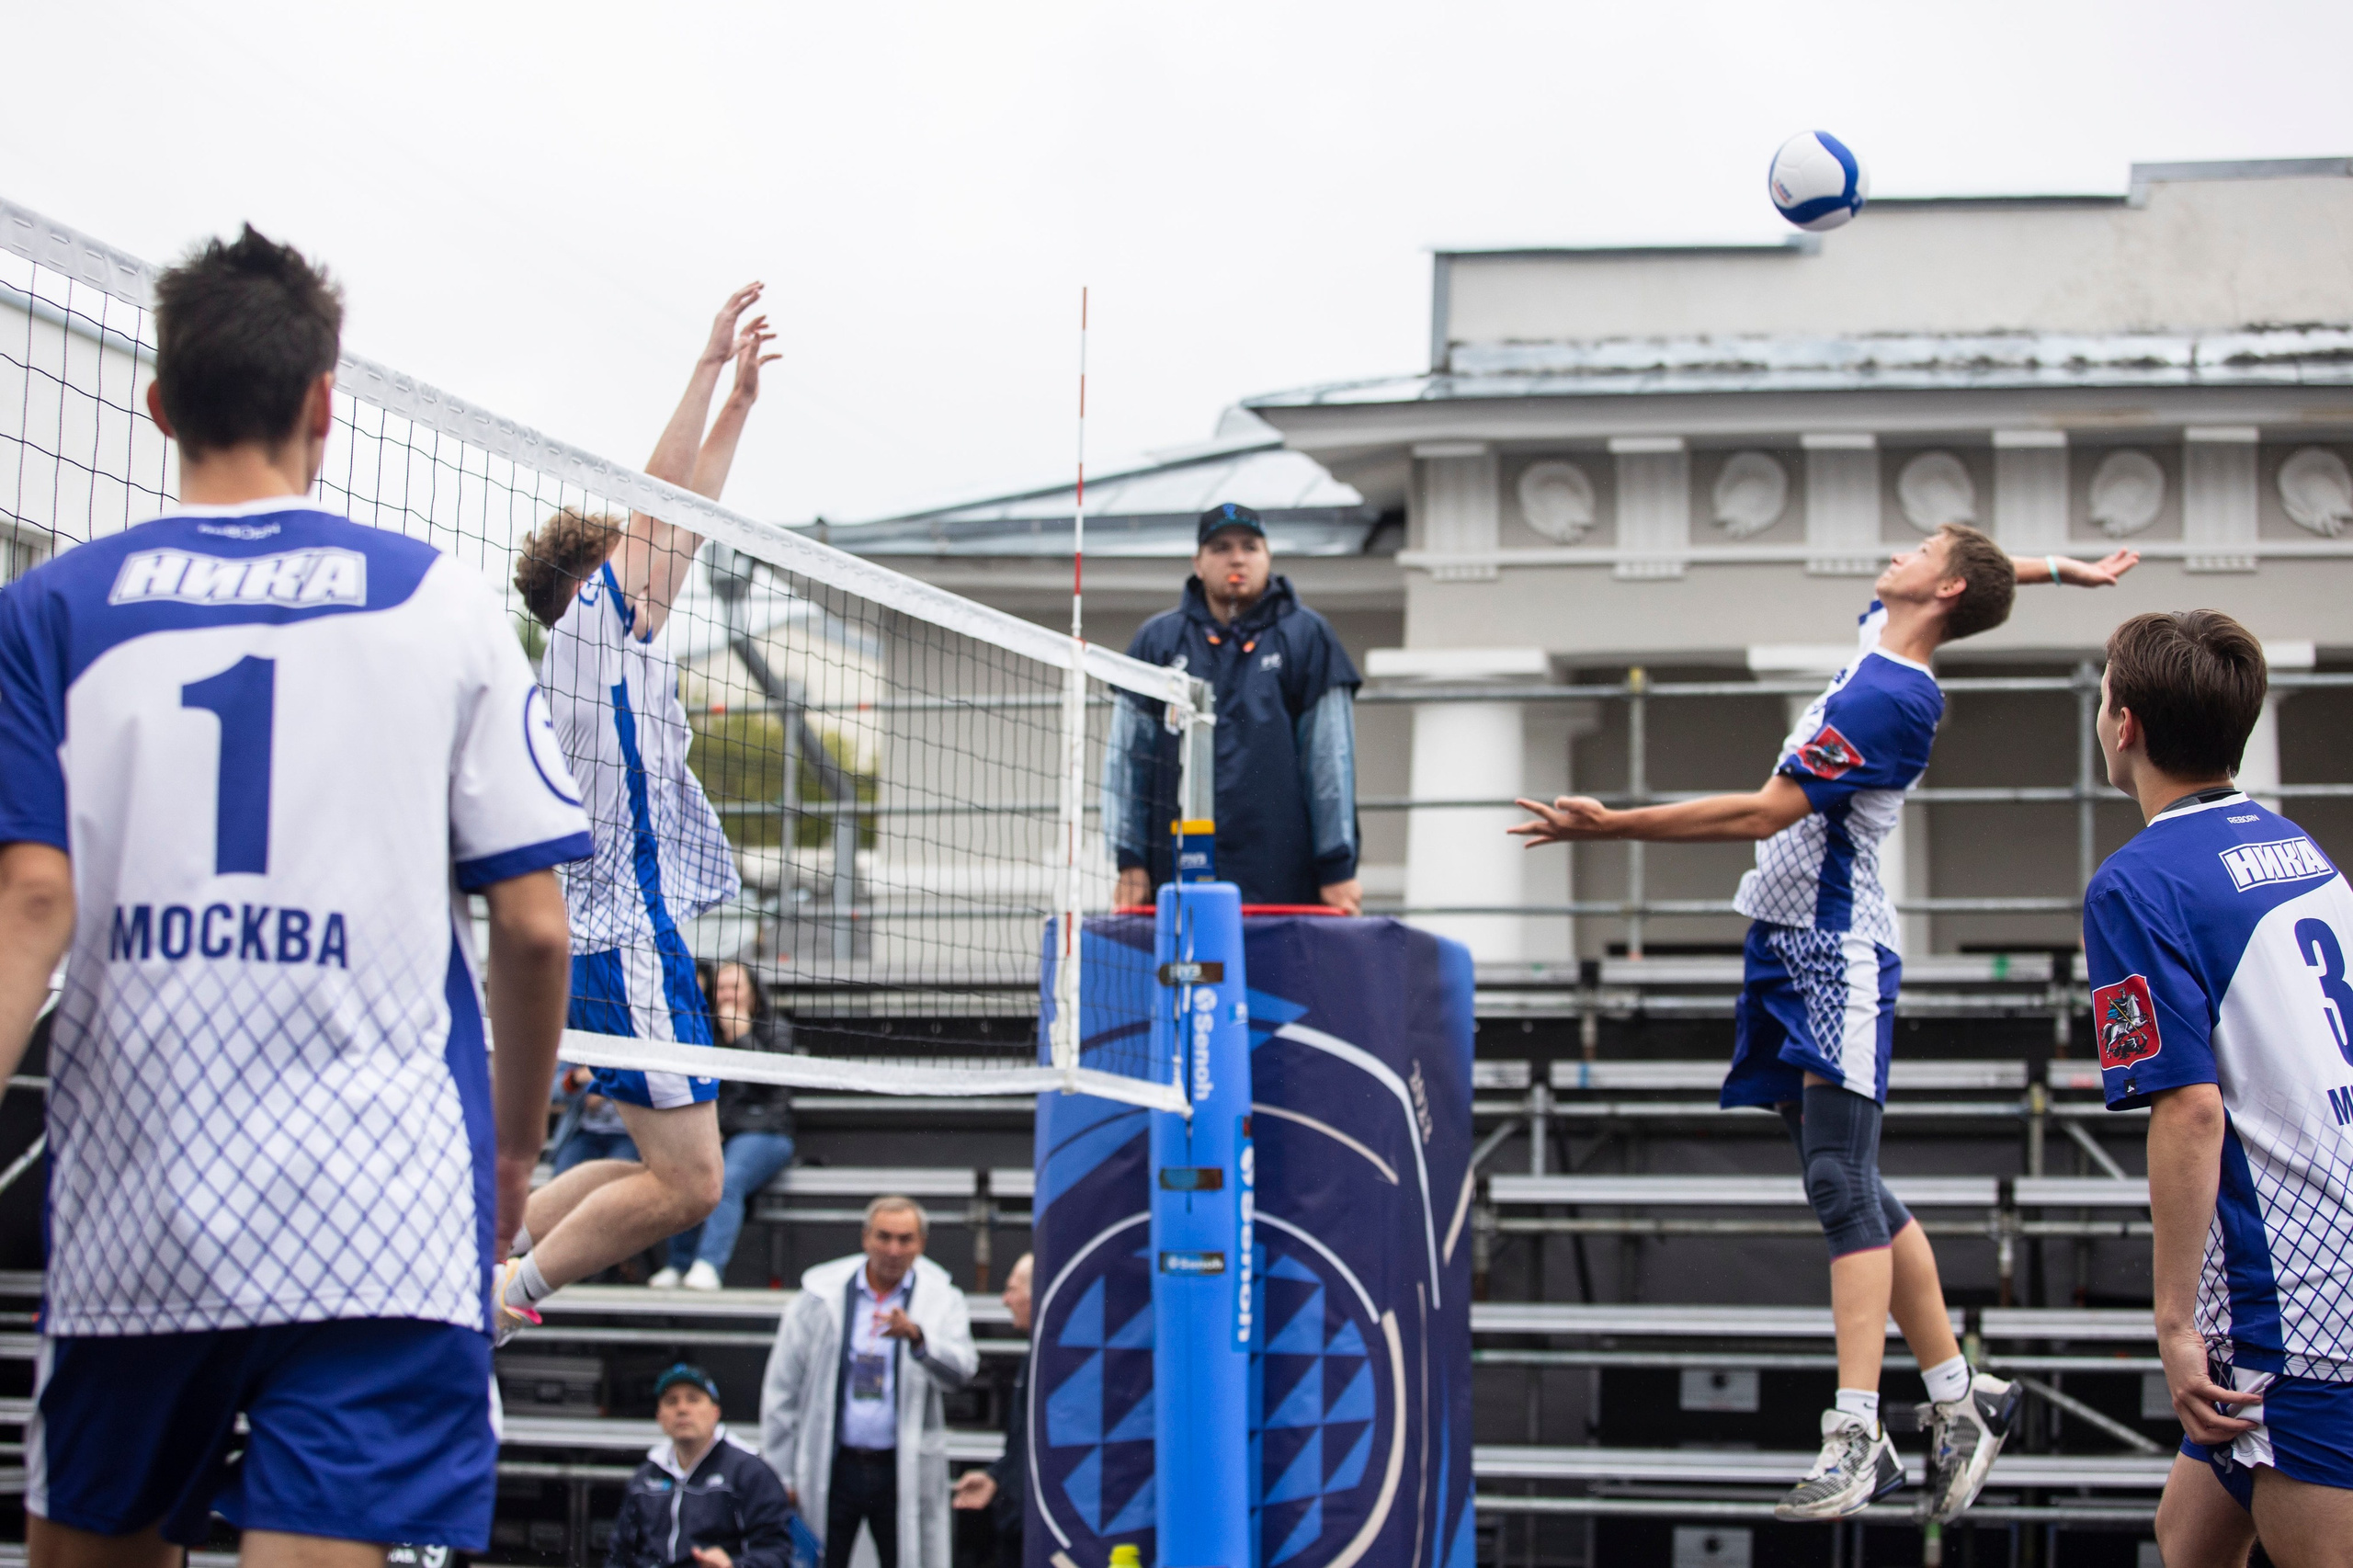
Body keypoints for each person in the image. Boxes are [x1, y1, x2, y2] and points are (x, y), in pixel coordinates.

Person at [0, 227, 583, 1562]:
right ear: (326, 401)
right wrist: (507, 1146)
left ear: (159, 405)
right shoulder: (438, 605)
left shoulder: (51, 610)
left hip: (138, 1203)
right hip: (376, 1205)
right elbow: (536, 924)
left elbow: (31, 903)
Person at [1507, 526, 2140, 1522]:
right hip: (1781, 938)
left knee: (1839, 1182)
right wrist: (2059, 569)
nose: (1899, 548)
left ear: (1941, 586)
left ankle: (1857, 1430)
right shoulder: (1879, 639)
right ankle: (1958, 1394)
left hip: (1834, 951)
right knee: (1854, 1182)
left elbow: (1764, 813)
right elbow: (1976, 573)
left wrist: (1611, 823)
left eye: (1921, 547)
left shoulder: (1889, 696)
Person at [497, 287, 780, 1340]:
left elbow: (683, 524)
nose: (661, 571)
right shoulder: (585, 633)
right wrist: (707, 364)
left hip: (617, 935)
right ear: (592, 583)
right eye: (635, 560)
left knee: (649, 1167)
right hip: (625, 940)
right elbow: (660, 504)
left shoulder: (630, 644)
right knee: (693, 1185)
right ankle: (502, 1300)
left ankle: (474, 1251)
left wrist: (740, 406)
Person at [2082, 610, 2353, 1568]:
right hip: (2321, 1241)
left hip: (2293, 1295)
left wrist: (2172, 1320)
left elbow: (2189, 1106)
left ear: (2124, 725)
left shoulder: (2136, 881)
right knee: (2188, 1536)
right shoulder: (2298, 846)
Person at [1106, 502, 1362, 913]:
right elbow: (1126, 760)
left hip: (1283, 872)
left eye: (1250, 546)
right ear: (1198, 562)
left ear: (1268, 557)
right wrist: (1130, 861)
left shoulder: (1308, 636)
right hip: (1175, 870)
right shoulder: (1157, 640)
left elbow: (1330, 760)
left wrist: (1337, 867)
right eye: (1221, 548)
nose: (1237, 558)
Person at [760, 1197, 978, 1568]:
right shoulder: (819, 1297)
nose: (894, 1250)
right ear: (865, 1238)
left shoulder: (941, 1298)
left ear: (921, 1244)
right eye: (884, 1237)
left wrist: (919, 1338)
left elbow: (963, 1369)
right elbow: (783, 1388)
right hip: (836, 1464)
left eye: (905, 1239)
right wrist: (781, 1473)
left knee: (904, 1558)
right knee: (823, 1559)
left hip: (898, 1466)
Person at [651, 960, 800, 1290]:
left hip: (766, 1133)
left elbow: (771, 1087)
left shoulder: (775, 1028)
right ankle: (678, 1264)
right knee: (686, 1175)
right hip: (719, 1130)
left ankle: (707, 1266)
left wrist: (743, 1036)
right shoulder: (703, 1030)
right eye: (721, 987)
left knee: (725, 1179)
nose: (727, 994)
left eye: (735, 987)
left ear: (753, 992)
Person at [607, 1364, 794, 1568]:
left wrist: (733, 1566)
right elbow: (619, 1555)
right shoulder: (643, 1478)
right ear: (659, 1417)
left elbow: (777, 1552)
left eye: (693, 1399)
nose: (682, 1409)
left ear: (715, 1411)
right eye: (671, 1401)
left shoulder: (750, 1472)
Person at [951, 1254, 1033, 1568]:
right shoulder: (1033, 1355)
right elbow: (1022, 1446)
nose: (1005, 1300)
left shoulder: (1054, 1363)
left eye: (1013, 1290)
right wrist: (995, 1478)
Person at [550, 1062, 640, 1175]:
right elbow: (551, 1091)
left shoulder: (642, 1050)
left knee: (620, 1177)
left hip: (629, 1135)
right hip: (583, 1132)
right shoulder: (581, 1049)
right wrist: (575, 1079)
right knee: (564, 1175)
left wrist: (607, 1090)